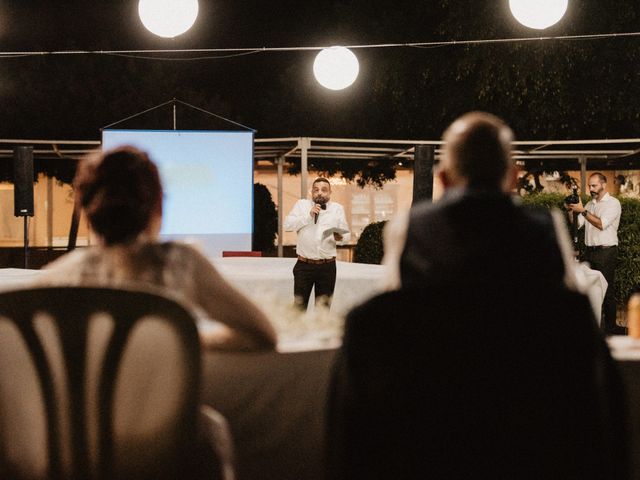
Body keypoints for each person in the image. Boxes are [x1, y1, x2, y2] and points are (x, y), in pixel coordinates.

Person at [325, 112, 629, 479]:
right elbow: (569, 306)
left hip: (426, 422)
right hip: (533, 427)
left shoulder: (411, 227)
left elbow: (391, 306)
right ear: (513, 177)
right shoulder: (545, 227)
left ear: (443, 178)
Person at [36, 146, 277, 352]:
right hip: (169, 408)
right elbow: (262, 334)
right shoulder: (180, 263)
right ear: (158, 203)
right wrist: (176, 343)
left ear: (86, 208)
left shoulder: (61, 276)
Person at [566, 172, 623, 335]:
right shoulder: (590, 205)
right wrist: (572, 211)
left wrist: (582, 210)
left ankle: (610, 330)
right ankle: (592, 328)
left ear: (604, 185)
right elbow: (577, 225)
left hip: (606, 252)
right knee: (589, 290)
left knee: (607, 292)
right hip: (589, 252)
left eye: (594, 185)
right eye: (589, 186)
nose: (590, 189)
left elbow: (601, 224)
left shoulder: (613, 203)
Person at [284, 177, 350, 309]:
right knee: (299, 308)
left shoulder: (337, 209)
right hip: (304, 266)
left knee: (323, 310)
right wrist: (308, 216)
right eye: (316, 190)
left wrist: (340, 236)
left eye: (324, 190)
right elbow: (287, 225)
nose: (319, 193)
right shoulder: (301, 205)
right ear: (311, 192)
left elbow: (346, 235)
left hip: (327, 267)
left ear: (330, 193)